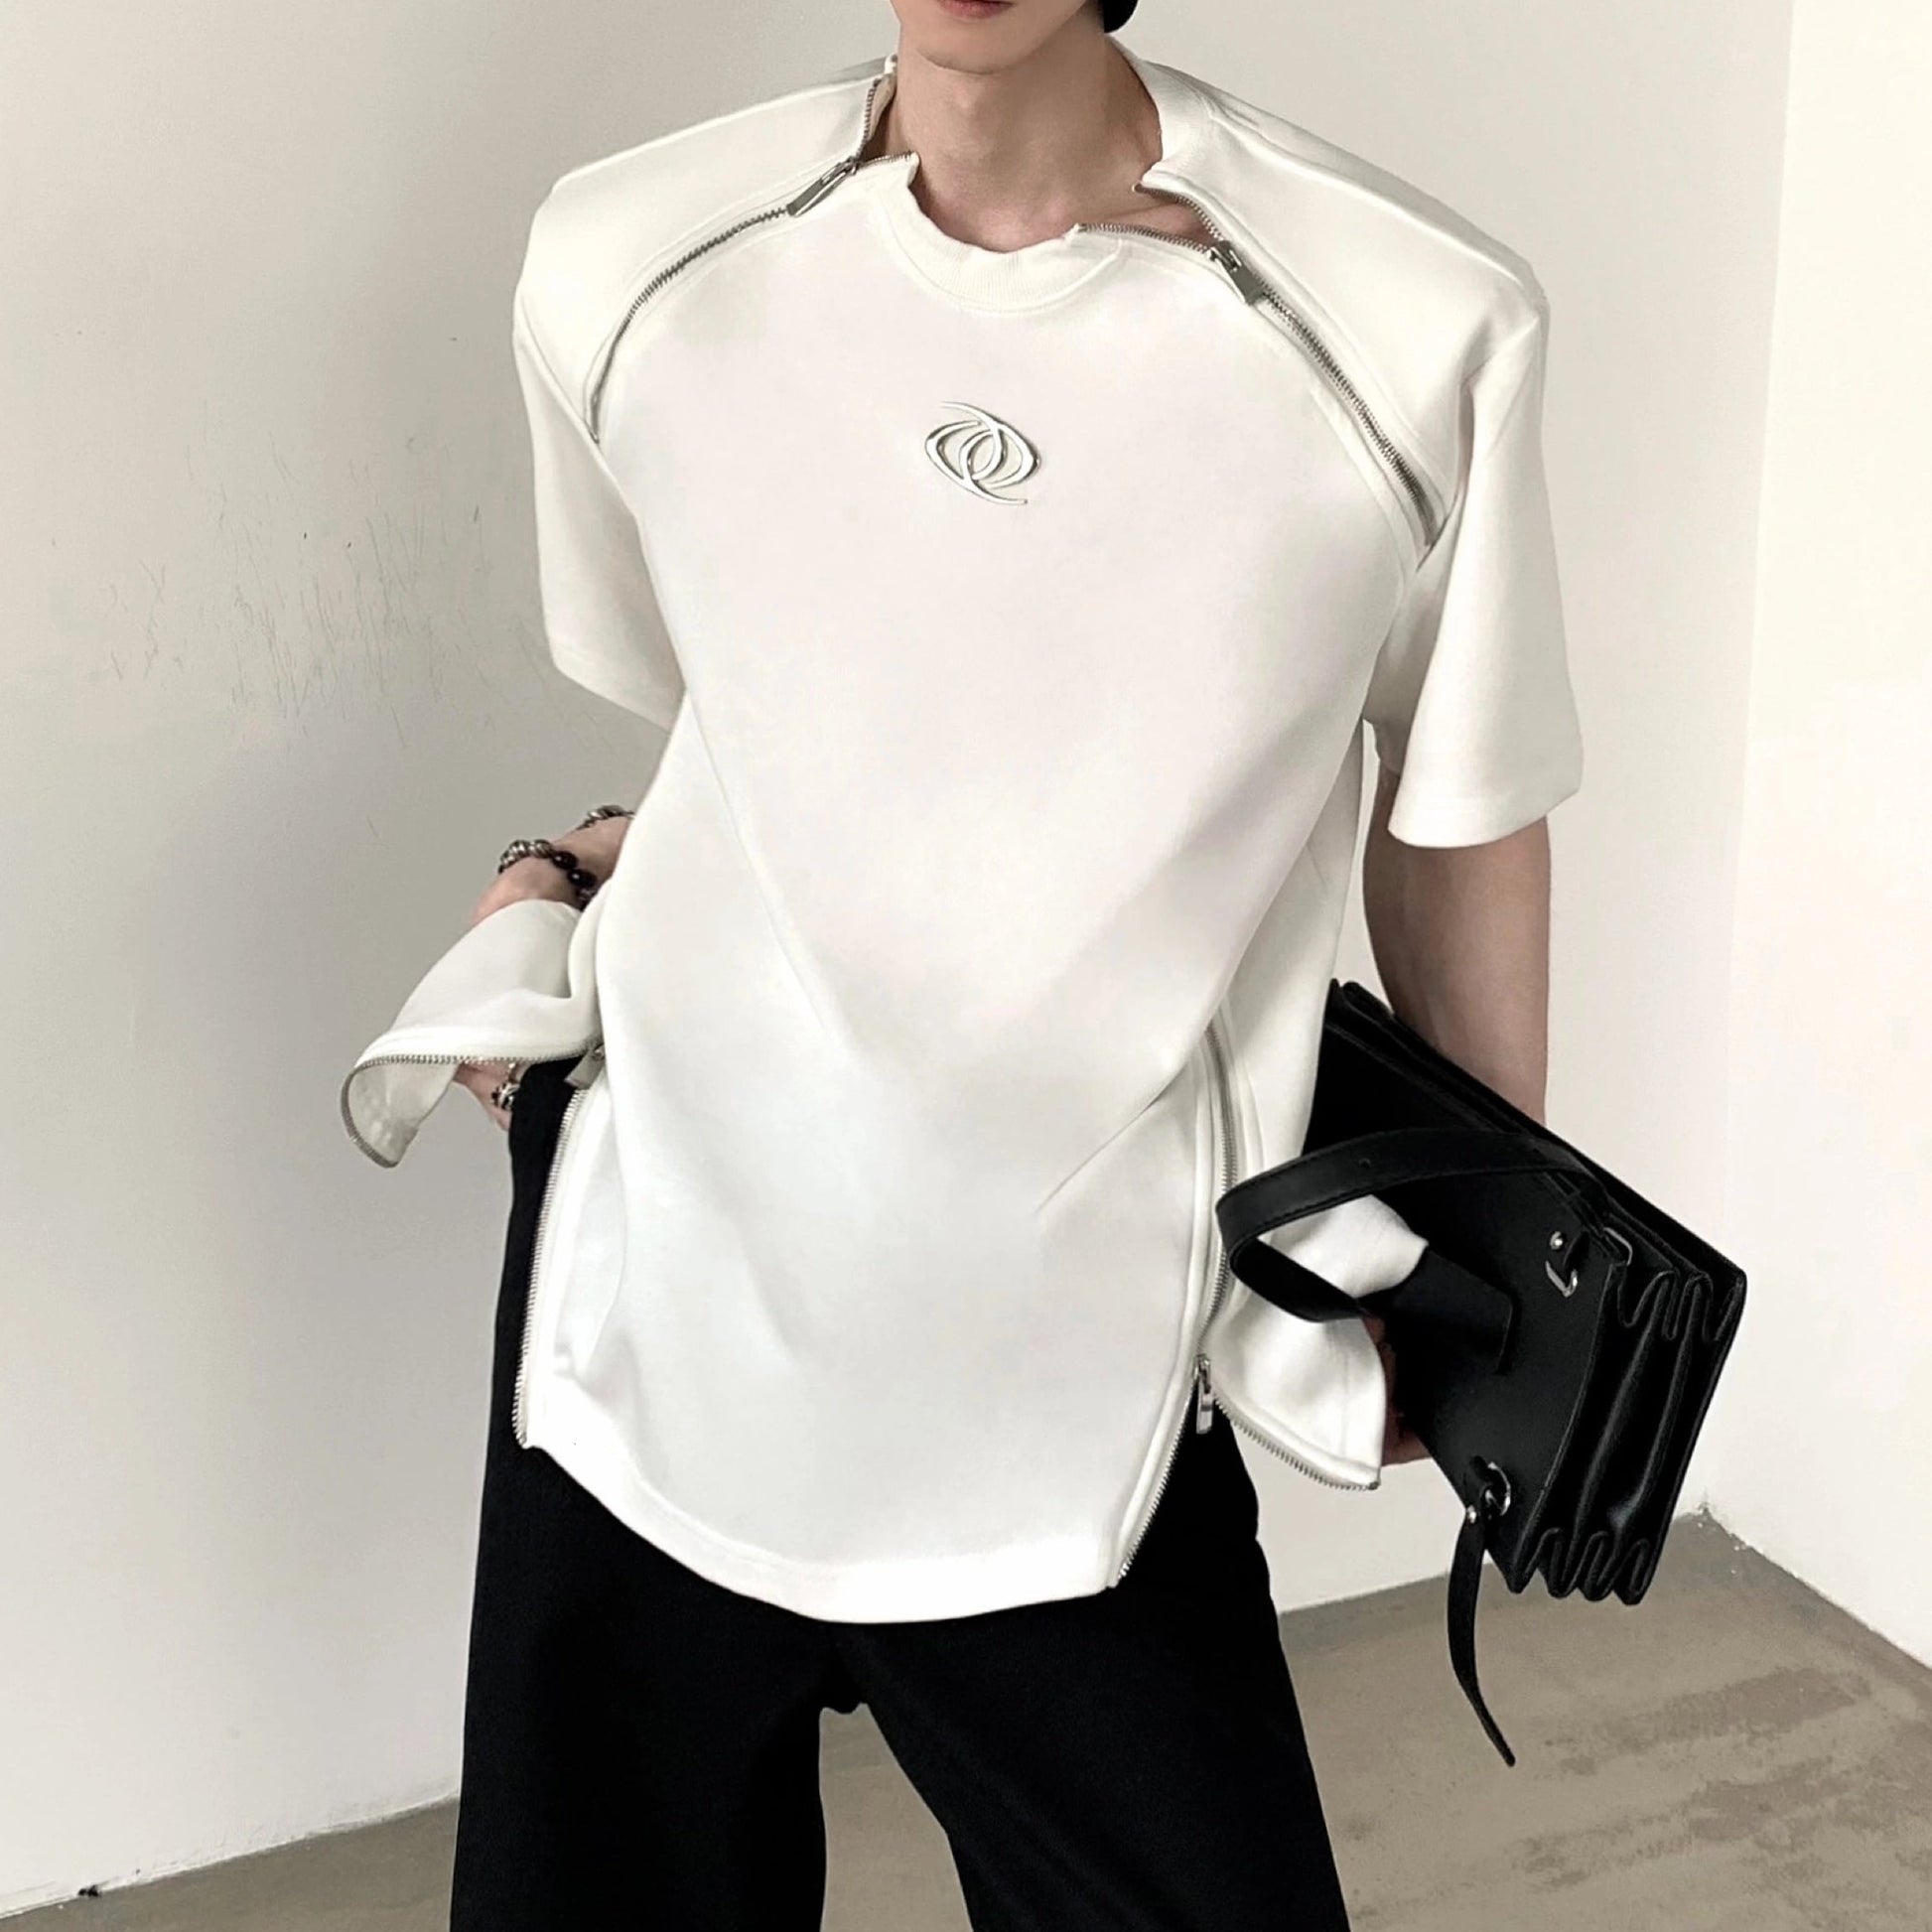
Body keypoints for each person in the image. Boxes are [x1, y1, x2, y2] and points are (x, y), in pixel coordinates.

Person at [346, 1, 1584, 1924]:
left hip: (1070, 1371)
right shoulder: (625, 262)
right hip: (659, 1301)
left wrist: (1492, 1285)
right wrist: (576, 868)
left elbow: (1458, 808)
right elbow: (752, 709)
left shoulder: (1409, 334)